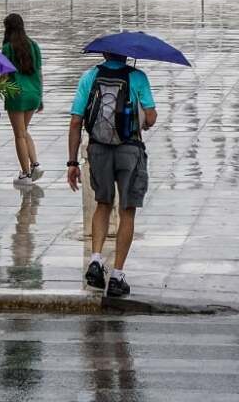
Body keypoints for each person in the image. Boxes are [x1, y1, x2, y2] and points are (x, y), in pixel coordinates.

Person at [67, 52, 156, 298]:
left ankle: (95, 260)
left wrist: (72, 162)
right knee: (127, 211)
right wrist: (142, 121)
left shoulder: (90, 76)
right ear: (127, 55)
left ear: (104, 53)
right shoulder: (137, 77)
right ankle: (117, 275)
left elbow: (76, 121)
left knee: (103, 204)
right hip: (130, 150)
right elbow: (150, 117)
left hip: (98, 149)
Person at [0, 13, 44, 187]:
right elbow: (39, 73)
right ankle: (35, 165)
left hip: (16, 95)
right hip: (33, 93)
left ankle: (25, 175)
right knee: (24, 131)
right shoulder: (34, 46)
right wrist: (40, 97)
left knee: (19, 134)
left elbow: (4, 75)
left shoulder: (8, 48)